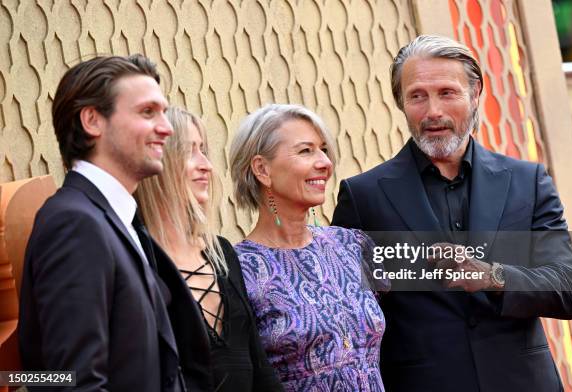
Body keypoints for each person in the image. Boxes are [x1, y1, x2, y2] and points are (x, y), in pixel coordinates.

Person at [331, 35, 572, 392]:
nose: (433, 111)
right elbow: (348, 313)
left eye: (447, 92)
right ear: (401, 103)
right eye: (417, 95)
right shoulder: (363, 196)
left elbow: (567, 289)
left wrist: (494, 276)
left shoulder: (528, 182)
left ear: (475, 92)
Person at [18, 55, 191, 391]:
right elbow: (70, 382)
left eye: (163, 112)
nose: (166, 127)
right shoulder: (74, 223)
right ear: (92, 121)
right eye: (147, 112)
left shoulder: (115, 219)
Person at [230, 104, 386, 391]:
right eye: (306, 151)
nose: (325, 162)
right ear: (262, 170)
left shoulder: (352, 245)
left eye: (323, 149)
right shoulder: (239, 270)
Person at [134, 107, 283, 391]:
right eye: (190, 152)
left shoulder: (221, 252)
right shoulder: (136, 259)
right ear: (156, 162)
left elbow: (260, 367)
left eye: (204, 150)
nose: (206, 165)